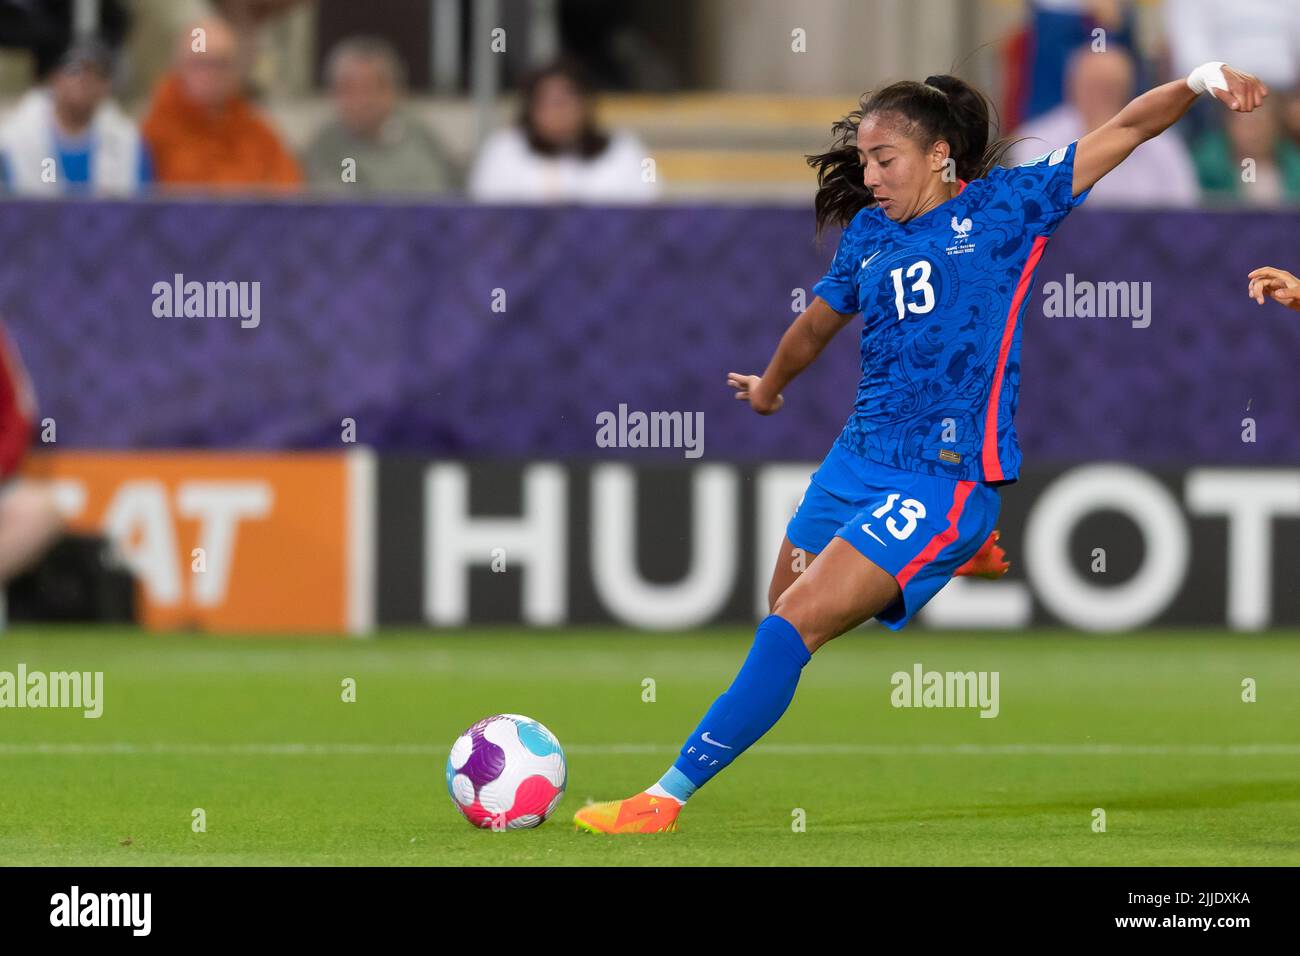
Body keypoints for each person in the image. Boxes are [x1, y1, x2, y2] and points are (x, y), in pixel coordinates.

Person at [574, 61, 1268, 834]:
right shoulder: (869, 236)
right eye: (865, 160)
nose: (869, 176)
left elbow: (1129, 127)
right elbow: (815, 327)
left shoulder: (1013, 206)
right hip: (855, 461)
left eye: (885, 160)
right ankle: (941, 557)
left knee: (791, 624)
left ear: (940, 156)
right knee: (780, 617)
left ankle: (662, 798)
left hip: (944, 477)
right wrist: (771, 386)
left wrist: (1201, 79)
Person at [1009, 47, 1198, 207]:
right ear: (1072, 86)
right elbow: (1025, 209)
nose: (1100, 96)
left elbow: (1184, 212)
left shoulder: (1163, 146)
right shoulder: (1036, 141)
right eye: (1092, 85)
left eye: (1110, 86)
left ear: (1127, 89)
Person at [140, 15, 300, 190]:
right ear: (178, 66)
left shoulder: (259, 134)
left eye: (220, 64)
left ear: (235, 70)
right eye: (199, 63)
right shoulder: (152, 135)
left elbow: (290, 198)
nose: (209, 74)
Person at [467, 59, 657, 204]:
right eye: (549, 102)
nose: (559, 111)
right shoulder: (503, 151)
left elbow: (649, 210)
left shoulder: (625, 150)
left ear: (585, 104)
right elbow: (485, 214)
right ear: (530, 108)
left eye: (567, 100)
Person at [303, 37, 459, 195]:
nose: (360, 100)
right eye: (348, 89)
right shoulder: (327, 147)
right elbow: (340, 206)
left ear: (394, 90)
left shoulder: (421, 137)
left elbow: (448, 194)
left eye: (370, 87)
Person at [0, 39, 151, 197]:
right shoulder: (14, 142)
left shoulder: (128, 144)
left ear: (107, 86)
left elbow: (142, 211)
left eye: (96, 73)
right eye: (74, 70)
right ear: (54, 77)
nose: (84, 80)